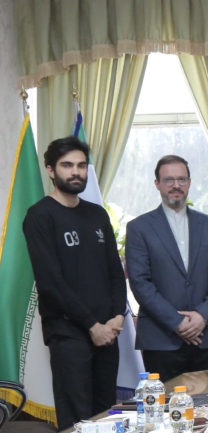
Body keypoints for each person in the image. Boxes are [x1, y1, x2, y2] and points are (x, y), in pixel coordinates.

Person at [23, 137, 126, 430]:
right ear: (51, 170)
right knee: (77, 420)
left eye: (81, 165)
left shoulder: (97, 214)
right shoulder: (39, 216)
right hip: (69, 334)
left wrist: (117, 317)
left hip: (108, 332)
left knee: (107, 415)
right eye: (67, 165)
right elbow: (51, 283)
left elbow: (115, 272)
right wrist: (92, 326)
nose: (76, 172)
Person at [125, 155, 208, 382]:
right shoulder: (139, 228)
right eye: (169, 180)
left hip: (207, 337)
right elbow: (140, 283)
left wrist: (203, 316)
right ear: (157, 183)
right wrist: (176, 322)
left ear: (189, 182)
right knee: (164, 404)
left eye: (182, 179)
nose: (176, 185)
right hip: (161, 340)